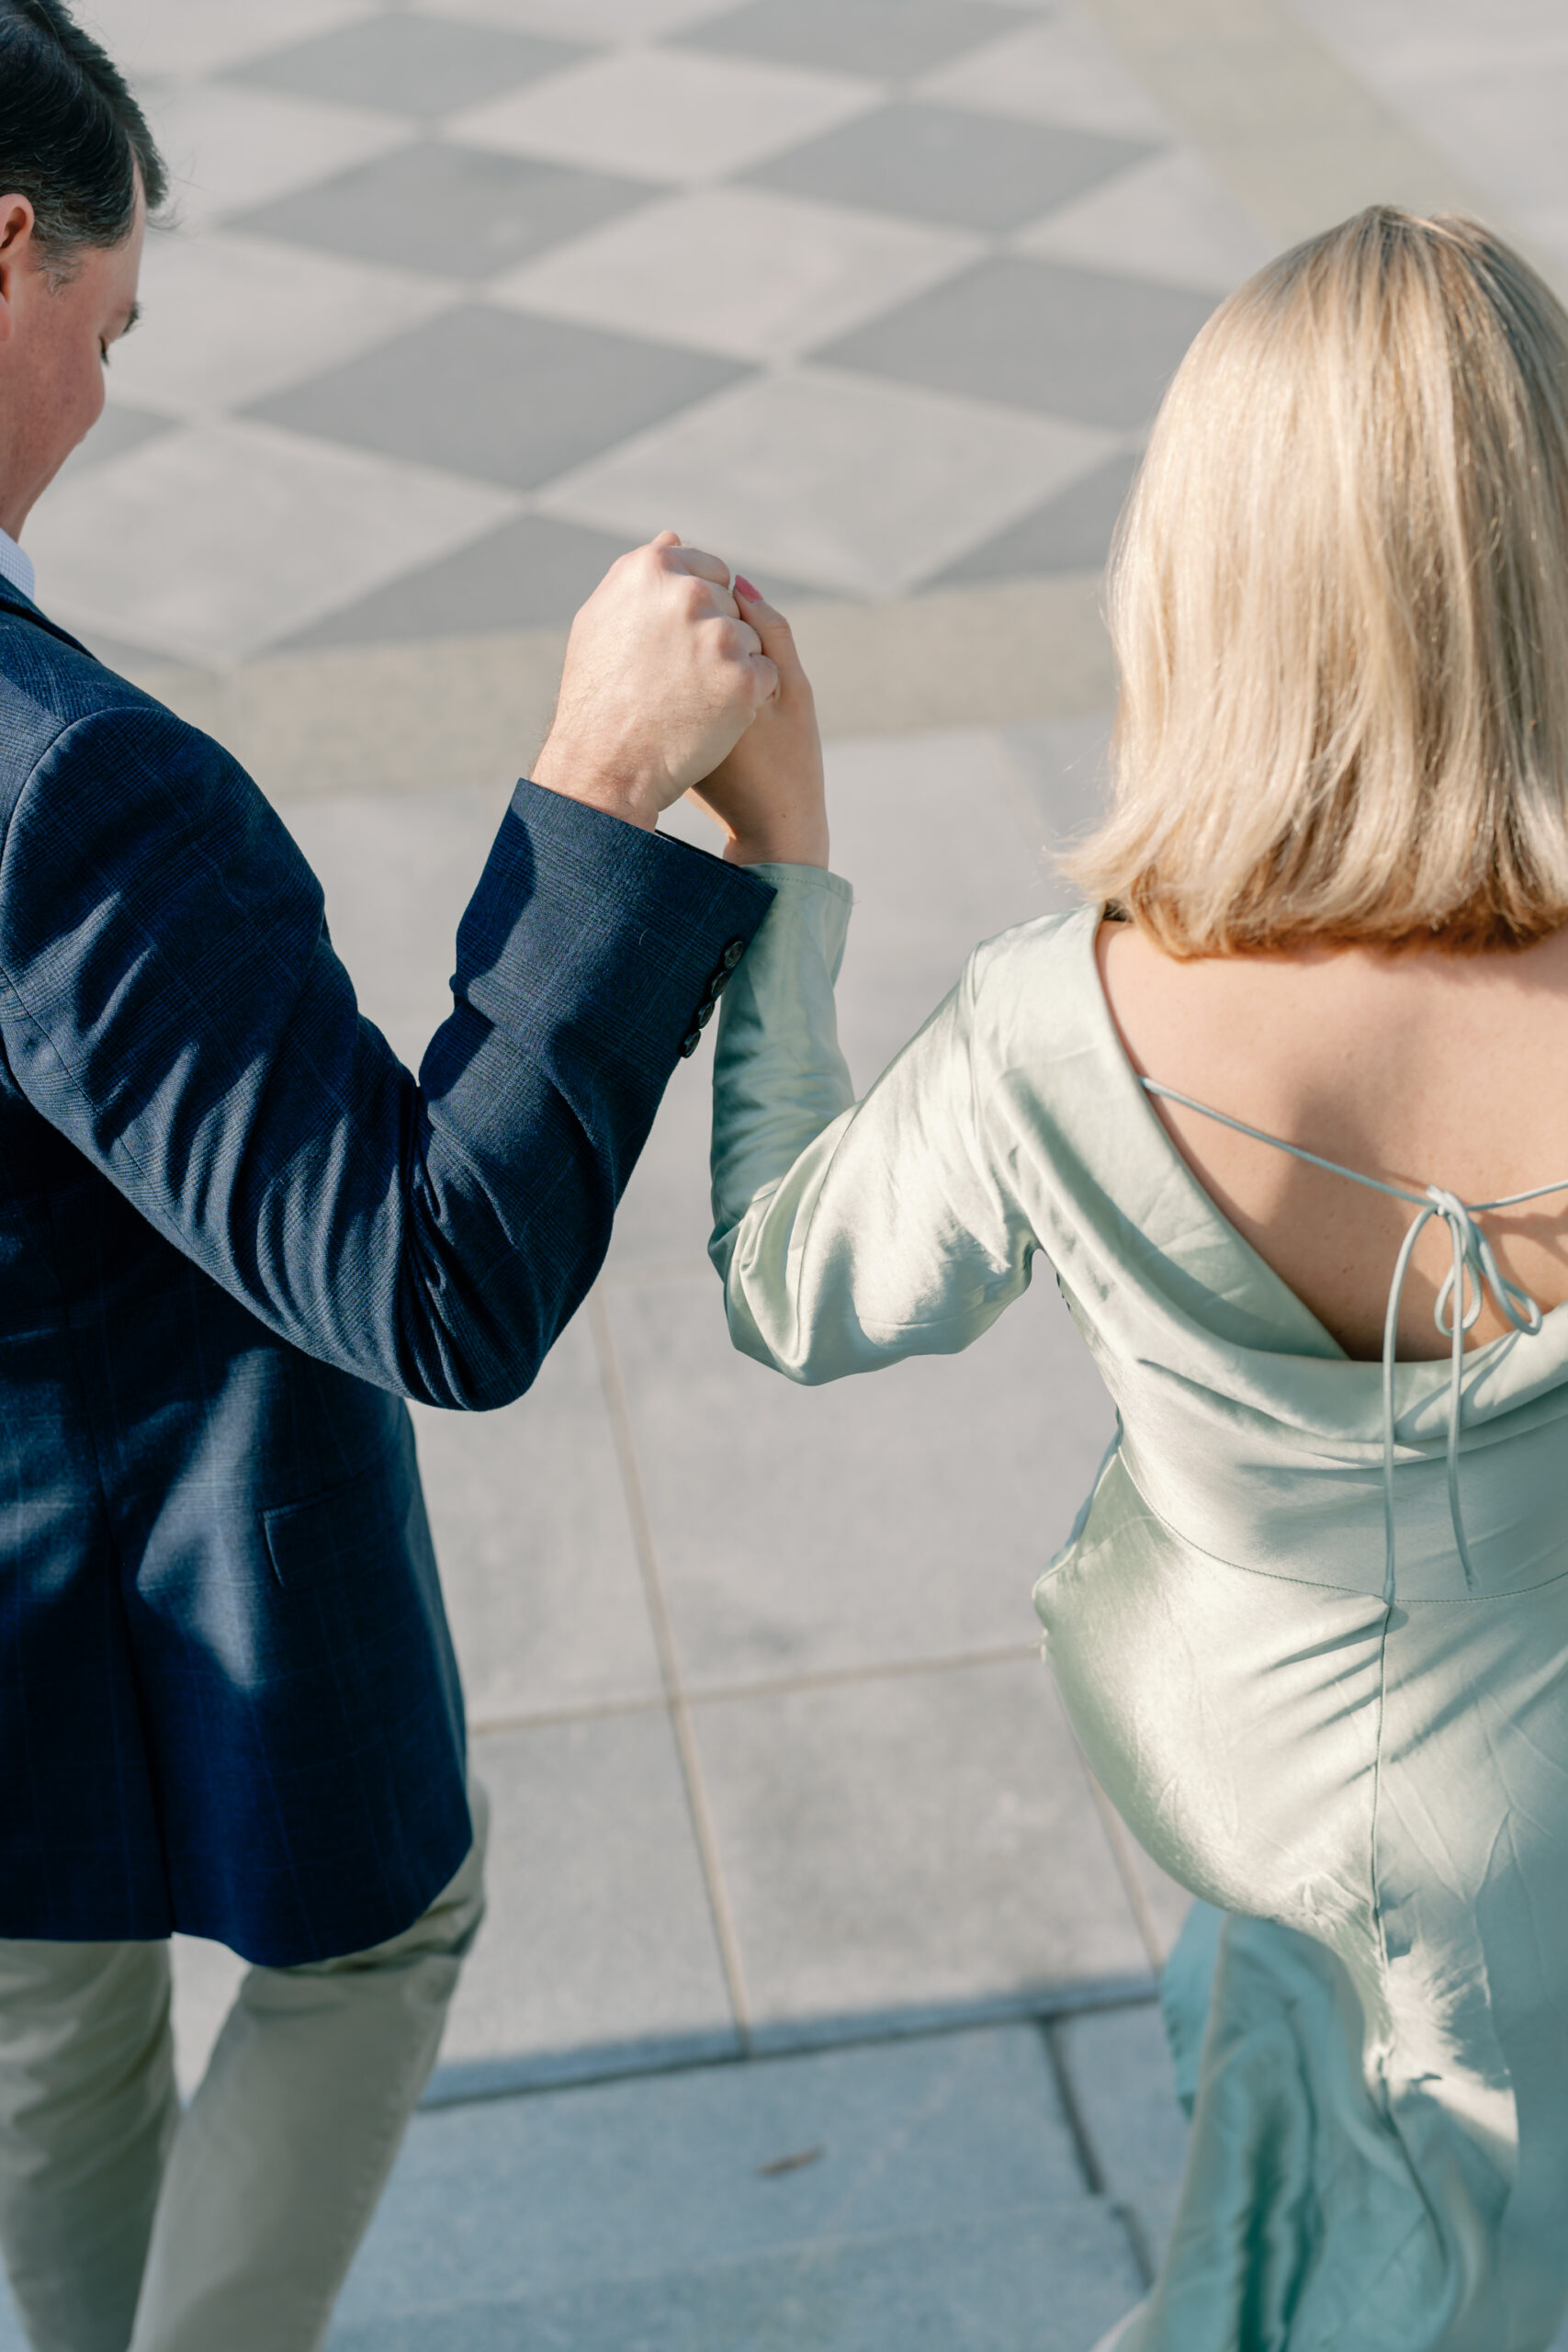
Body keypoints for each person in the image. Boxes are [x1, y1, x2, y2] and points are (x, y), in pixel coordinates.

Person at [0, 3, 810, 2346]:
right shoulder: (68, 794)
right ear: (8, 248)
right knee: (376, 1947)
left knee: (44, 1986)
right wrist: (597, 782)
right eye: (110, 324)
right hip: (170, 1535)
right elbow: (429, 1272)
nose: (112, 391)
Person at [694, 207, 1568, 2350]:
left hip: (1239, 1776)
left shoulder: (1049, 1022)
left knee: (1311, 2136)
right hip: (1535, 1814)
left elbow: (788, 1284)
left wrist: (777, 868)